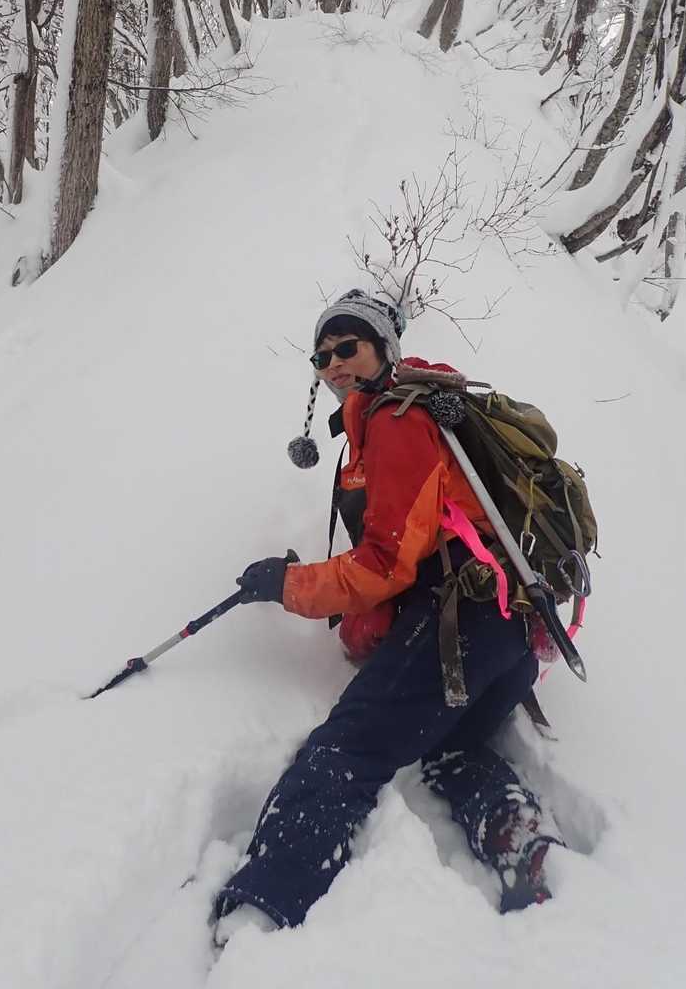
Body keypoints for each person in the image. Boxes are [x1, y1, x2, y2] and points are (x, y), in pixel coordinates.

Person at [212, 289, 561, 942]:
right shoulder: (399, 415)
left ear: (383, 347)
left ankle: (264, 905)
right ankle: (523, 842)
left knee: (346, 748)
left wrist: (287, 585)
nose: (334, 363)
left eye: (348, 346)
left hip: (459, 619)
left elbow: (384, 565)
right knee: (452, 745)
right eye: (322, 356)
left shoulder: (398, 421)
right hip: (508, 627)